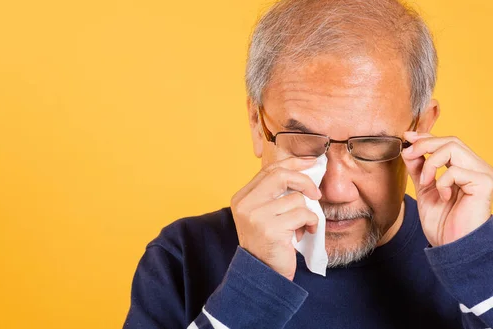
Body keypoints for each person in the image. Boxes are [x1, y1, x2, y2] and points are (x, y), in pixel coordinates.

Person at [123, 0, 493, 328]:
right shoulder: (182, 258)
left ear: (422, 128)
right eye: (303, 143)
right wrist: (253, 287)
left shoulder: (480, 259)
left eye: (371, 144)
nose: (333, 189)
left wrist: (476, 266)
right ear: (257, 123)